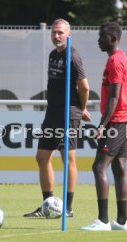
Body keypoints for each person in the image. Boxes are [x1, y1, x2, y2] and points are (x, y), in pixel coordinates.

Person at [24, 18, 91, 218]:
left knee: (68, 158)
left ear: (69, 34)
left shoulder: (73, 56)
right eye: (54, 32)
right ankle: (48, 205)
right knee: (42, 157)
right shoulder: (53, 54)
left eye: (60, 32)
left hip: (68, 114)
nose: (56, 36)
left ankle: (67, 208)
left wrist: (82, 108)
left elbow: (85, 87)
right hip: (52, 112)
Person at [81, 22, 127, 230]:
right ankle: (122, 222)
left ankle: (103, 220)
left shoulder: (115, 61)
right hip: (126, 119)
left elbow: (114, 96)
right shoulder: (123, 58)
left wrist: (102, 125)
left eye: (102, 36)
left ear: (113, 39)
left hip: (117, 120)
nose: (98, 40)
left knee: (98, 167)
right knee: (119, 167)